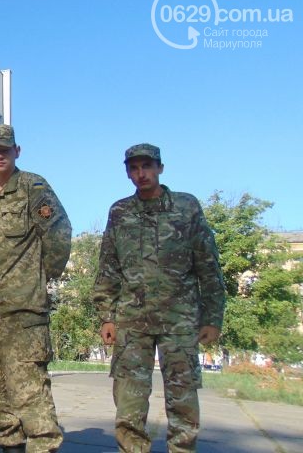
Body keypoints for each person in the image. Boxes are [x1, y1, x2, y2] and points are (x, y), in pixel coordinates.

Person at [93, 143, 226, 453]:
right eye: (134, 168)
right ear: (128, 173)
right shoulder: (120, 212)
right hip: (132, 321)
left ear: (160, 168)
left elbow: (208, 264)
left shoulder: (186, 207)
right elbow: (108, 267)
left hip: (179, 319)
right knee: (129, 400)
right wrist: (106, 316)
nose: (141, 173)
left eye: (147, 166)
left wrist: (212, 317)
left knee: (182, 398)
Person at [0, 124, 71, 453]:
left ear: (17, 151)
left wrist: (39, 278)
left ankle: (43, 445)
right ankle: (11, 443)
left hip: (23, 310)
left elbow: (58, 232)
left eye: (5, 149)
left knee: (29, 389)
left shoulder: (32, 186)